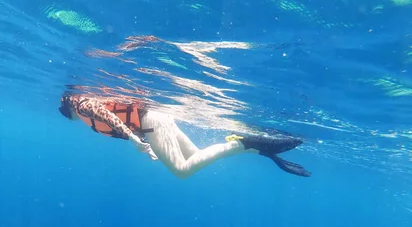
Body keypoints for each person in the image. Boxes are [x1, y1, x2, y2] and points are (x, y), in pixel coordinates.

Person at [58, 92, 311, 178]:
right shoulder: (83, 107)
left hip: (151, 123)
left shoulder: (82, 106)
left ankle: (242, 143)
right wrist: (147, 145)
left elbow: (110, 116)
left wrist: (135, 139)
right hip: (156, 121)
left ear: (67, 110)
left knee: (182, 171)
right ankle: (258, 148)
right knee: (195, 156)